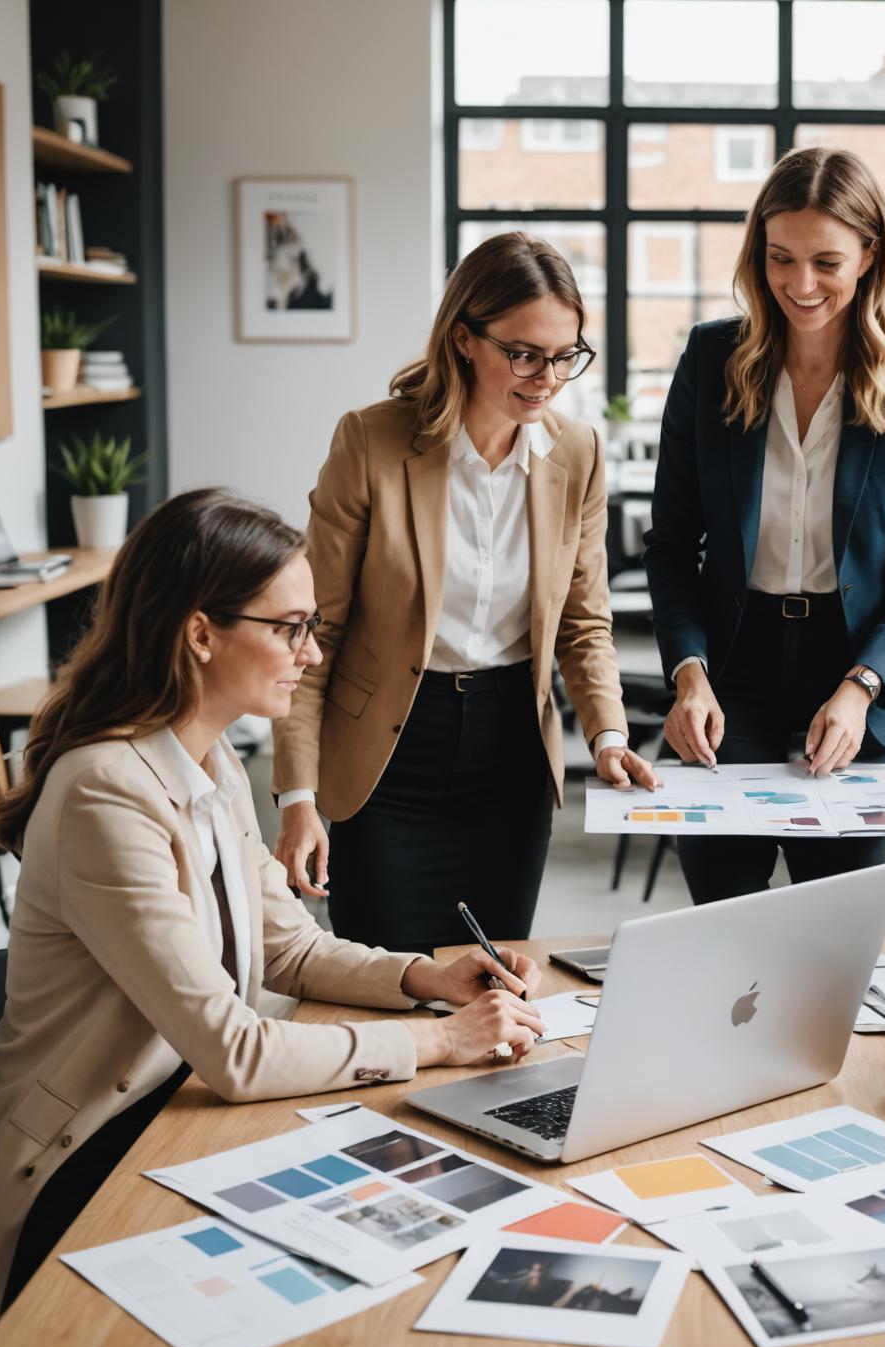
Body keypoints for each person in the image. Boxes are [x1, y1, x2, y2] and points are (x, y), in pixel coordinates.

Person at [0, 489, 613, 1347]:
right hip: (89, 1173)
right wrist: (439, 1042)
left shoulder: (208, 760)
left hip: (189, 1120)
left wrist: (426, 980)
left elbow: (288, 948)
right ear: (200, 634)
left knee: (513, 1258)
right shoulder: (107, 791)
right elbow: (233, 1051)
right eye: (292, 628)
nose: (313, 654)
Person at [272, 230, 658, 951]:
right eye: (525, 354)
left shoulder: (577, 453)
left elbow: (583, 624)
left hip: (512, 757)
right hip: (388, 757)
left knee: (495, 981)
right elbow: (311, 633)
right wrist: (297, 798)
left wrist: (608, 735)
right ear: (463, 339)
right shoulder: (371, 443)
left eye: (565, 356)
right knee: (385, 980)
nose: (548, 378)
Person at [644, 146, 885, 904]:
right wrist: (688, 673)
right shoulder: (710, 359)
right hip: (732, 660)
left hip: (859, 664)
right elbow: (672, 544)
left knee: (834, 919)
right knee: (723, 909)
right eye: (780, 258)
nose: (801, 284)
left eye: (827, 262)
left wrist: (861, 686)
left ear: (870, 255)